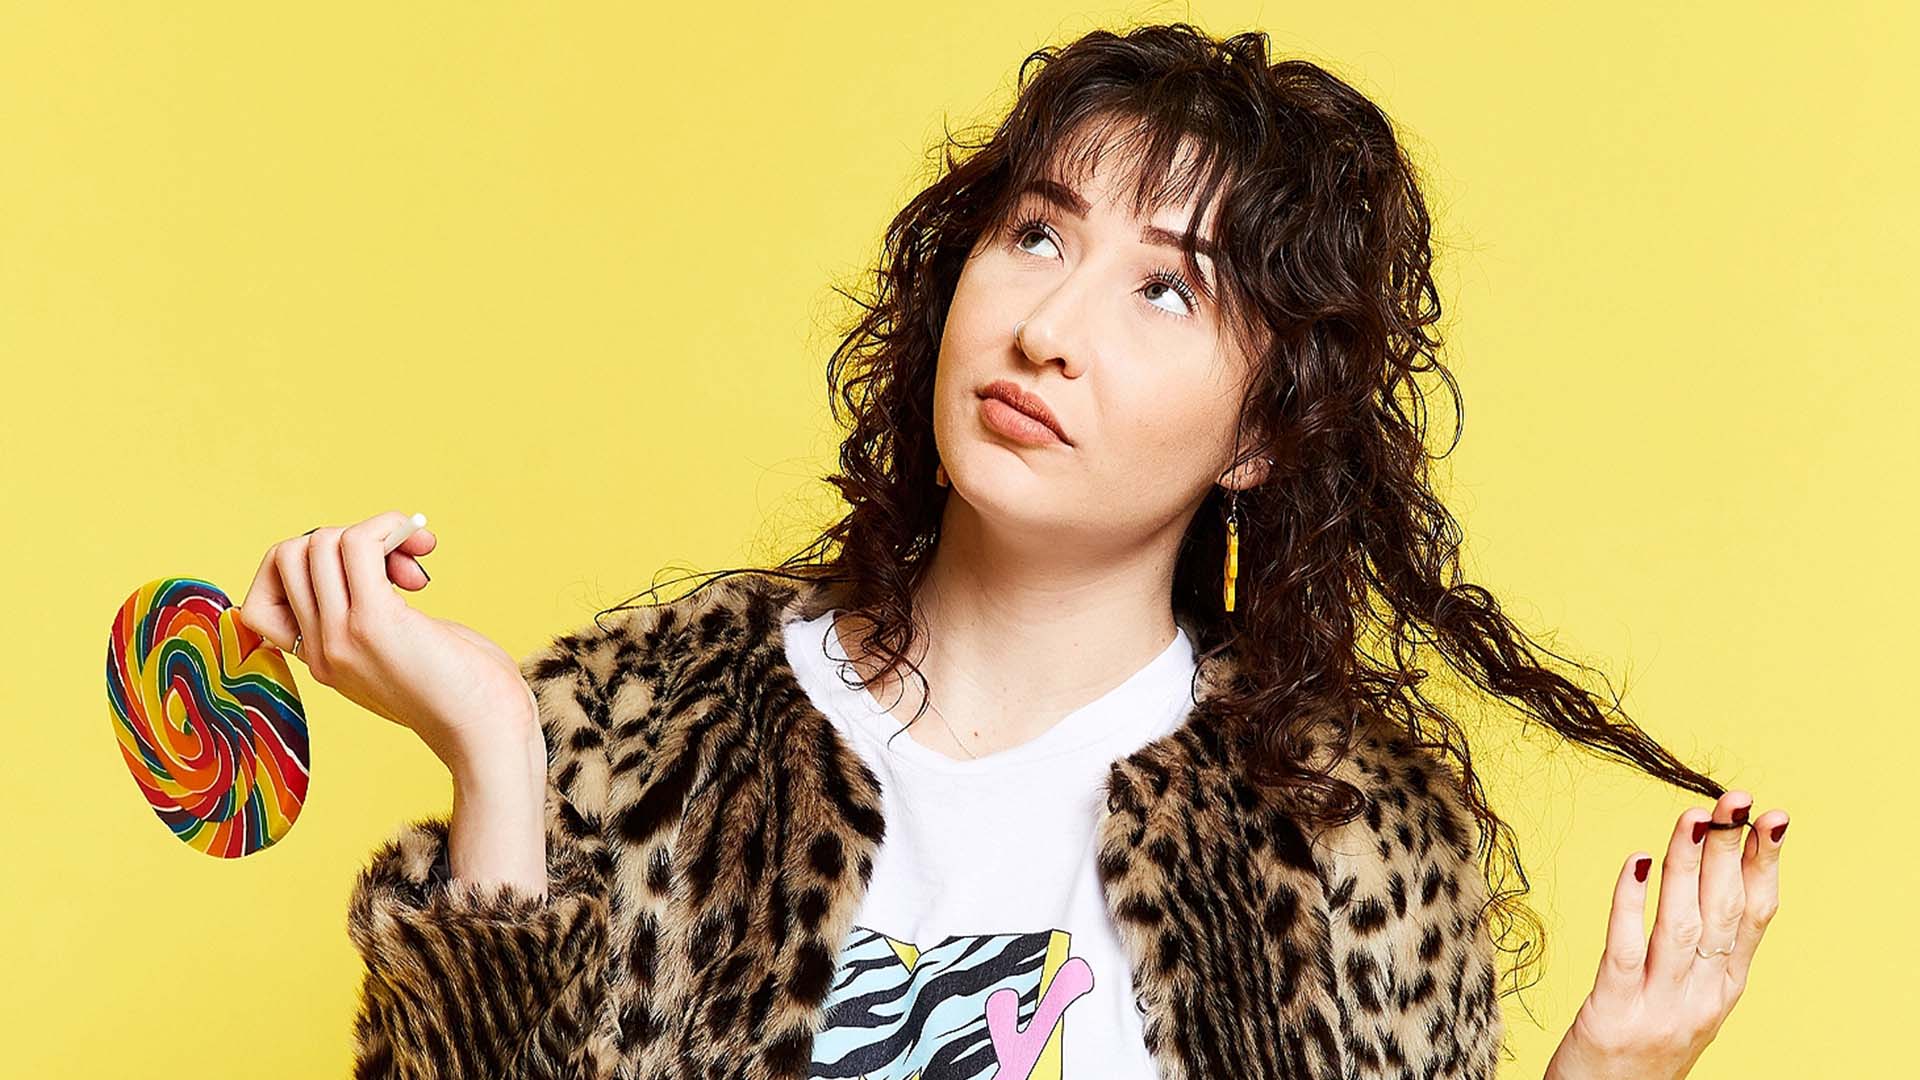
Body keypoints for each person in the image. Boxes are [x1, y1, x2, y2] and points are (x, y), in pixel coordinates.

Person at [241, 23, 1788, 1080]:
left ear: (1263, 433)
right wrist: (498, 754)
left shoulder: (1346, 844)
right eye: (1037, 235)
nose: (1047, 327)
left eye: (1163, 291)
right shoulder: (649, 733)